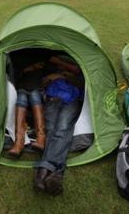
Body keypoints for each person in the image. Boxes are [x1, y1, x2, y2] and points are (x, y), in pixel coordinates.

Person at [33, 55, 84, 196]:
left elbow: (82, 86)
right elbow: (41, 84)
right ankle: (56, 173)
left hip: (71, 102)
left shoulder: (77, 74)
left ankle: (42, 171)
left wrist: (68, 77)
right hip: (52, 100)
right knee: (50, 130)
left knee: (62, 129)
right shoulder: (49, 70)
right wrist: (53, 77)